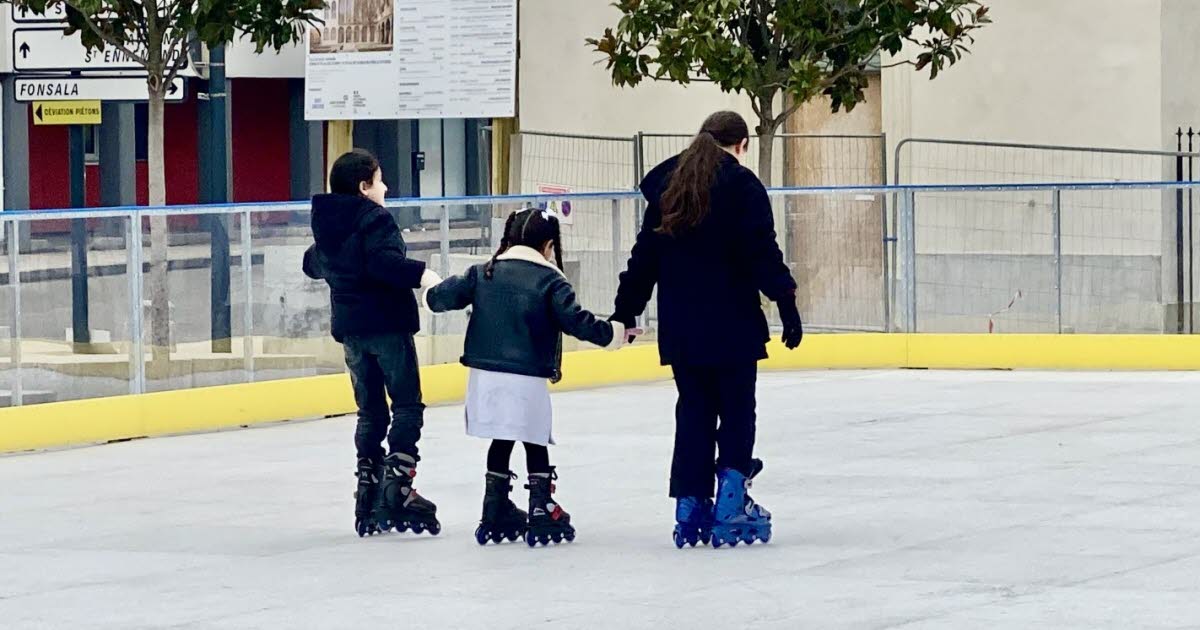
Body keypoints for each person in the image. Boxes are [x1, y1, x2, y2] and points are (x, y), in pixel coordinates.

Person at [610, 111, 804, 549]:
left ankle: (690, 504)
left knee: (693, 411)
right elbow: (761, 250)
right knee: (737, 410)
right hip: (733, 322)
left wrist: (626, 311)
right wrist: (786, 300)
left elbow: (645, 258)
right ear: (742, 144)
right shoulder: (742, 185)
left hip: (682, 326)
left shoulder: (670, 185)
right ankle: (730, 503)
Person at [425, 207, 627, 547]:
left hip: (485, 375)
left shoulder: (484, 272)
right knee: (534, 440)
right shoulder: (550, 280)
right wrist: (614, 334)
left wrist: (429, 285)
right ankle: (541, 506)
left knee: (501, 438)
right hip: (526, 375)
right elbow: (576, 321)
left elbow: (441, 298)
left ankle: (494, 506)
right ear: (547, 245)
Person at [302, 149, 443, 538]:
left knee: (370, 411)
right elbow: (384, 264)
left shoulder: (327, 223)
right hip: (387, 326)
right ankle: (398, 486)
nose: (386, 187)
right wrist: (425, 275)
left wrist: (340, 264)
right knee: (407, 406)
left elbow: (312, 264)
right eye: (380, 181)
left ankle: (368, 486)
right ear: (364, 186)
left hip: (352, 331)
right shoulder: (375, 218)